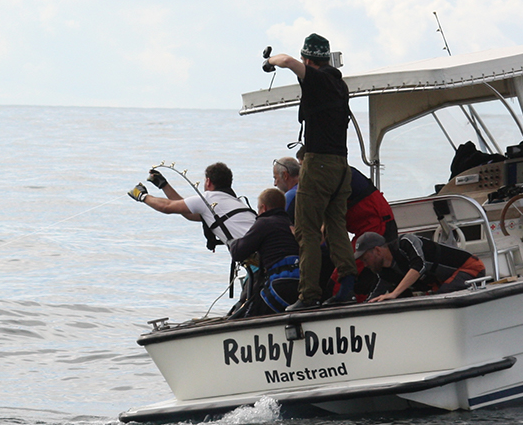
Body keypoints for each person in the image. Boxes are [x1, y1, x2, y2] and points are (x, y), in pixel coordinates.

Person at [264, 34, 356, 310]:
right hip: (342, 166)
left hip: (319, 165)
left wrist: (269, 62)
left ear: (308, 60)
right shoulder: (339, 84)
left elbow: (287, 61)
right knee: (337, 227)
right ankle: (347, 289)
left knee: (307, 232)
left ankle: (308, 295)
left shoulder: (317, 79)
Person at [128, 162, 256, 249]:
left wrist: (142, 196)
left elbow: (166, 207)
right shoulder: (237, 203)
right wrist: (164, 185)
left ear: (208, 181)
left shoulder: (208, 199)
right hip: (266, 255)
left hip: (258, 259)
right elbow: (188, 213)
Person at [227, 187, 301, 317]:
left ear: (264, 208)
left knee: (247, 316)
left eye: (258, 209)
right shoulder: (291, 225)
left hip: (278, 287)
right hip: (300, 287)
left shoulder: (264, 223)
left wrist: (232, 242)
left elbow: (238, 252)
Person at [354, 231, 486, 302]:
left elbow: (419, 265)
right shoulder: (384, 272)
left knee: (439, 299)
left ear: (377, 250)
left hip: (469, 267)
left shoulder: (406, 242)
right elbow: (374, 295)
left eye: (365, 259)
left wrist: (394, 293)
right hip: (441, 282)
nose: (365, 264)